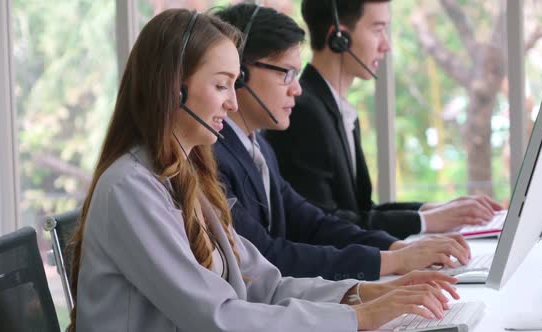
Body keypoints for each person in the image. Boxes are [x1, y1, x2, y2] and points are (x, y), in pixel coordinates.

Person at [67, 9, 461, 331]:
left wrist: (362, 294)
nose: (232, 104)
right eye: (222, 86)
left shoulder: (186, 178)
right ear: (175, 88)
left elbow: (264, 284)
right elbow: (216, 316)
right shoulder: (130, 189)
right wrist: (359, 318)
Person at [213, 3, 471, 283]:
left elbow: (315, 224)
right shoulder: (213, 157)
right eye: (286, 73)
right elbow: (269, 255)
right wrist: (393, 260)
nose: (296, 89)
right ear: (239, 74)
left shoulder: (261, 149)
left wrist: (398, 248)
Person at [265, 0, 504, 240]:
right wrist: (427, 222)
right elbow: (324, 223)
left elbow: (360, 211)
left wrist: (438, 210)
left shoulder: (334, 108)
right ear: (339, 38)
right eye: (378, 30)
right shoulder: (302, 112)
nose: (386, 45)